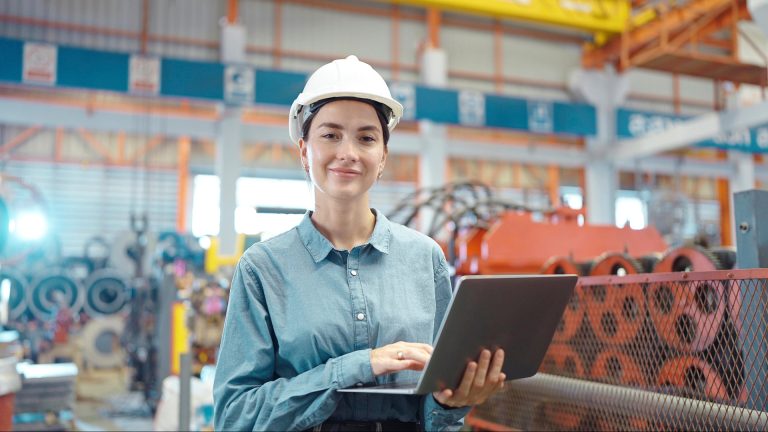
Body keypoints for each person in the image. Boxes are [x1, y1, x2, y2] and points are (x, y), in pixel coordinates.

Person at [213, 55, 506, 431]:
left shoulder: (423, 258)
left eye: (366, 137)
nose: (348, 152)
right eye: (330, 135)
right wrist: (359, 365)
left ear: (382, 156)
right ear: (304, 151)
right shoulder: (263, 268)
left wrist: (451, 403)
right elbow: (234, 416)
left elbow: (437, 410)